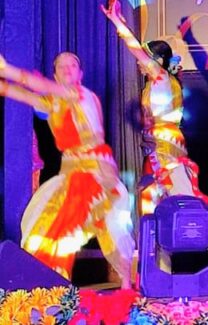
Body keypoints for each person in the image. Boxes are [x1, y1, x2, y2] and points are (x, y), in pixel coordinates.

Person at [0, 52, 135, 286]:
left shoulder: (82, 95)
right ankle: (49, 285)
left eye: (72, 65)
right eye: (61, 67)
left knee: (110, 232)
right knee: (40, 225)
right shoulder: (55, 102)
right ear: (55, 74)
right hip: (72, 175)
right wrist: (4, 86)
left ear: (80, 74)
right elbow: (23, 94)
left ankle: (127, 287)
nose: (67, 69)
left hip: (97, 175)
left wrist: (7, 70)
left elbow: (35, 84)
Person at [102, 0, 198, 215]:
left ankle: (196, 231)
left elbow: (134, 49)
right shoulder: (155, 83)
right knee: (156, 202)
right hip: (158, 144)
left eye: (146, 57)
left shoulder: (161, 78)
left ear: (159, 61)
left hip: (165, 146)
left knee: (177, 197)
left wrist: (117, 22)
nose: (139, 61)